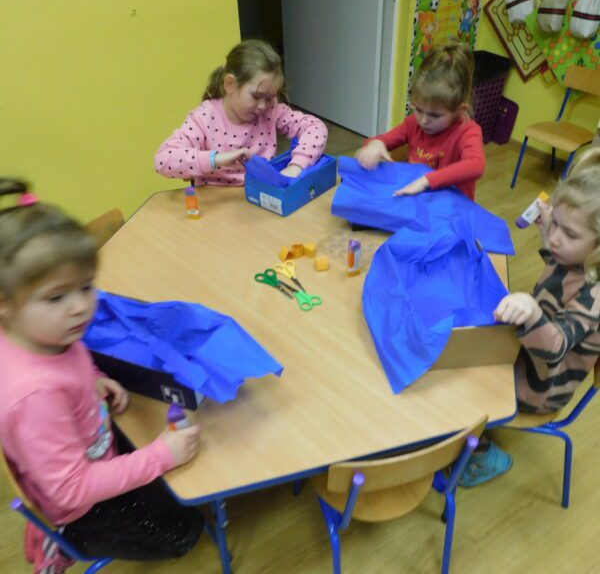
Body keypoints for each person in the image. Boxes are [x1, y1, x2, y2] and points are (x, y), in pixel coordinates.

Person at [0, 178, 203, 571]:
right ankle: (66, 542)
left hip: (87, 444)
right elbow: (73, 489)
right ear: (4, 303)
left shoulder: (38, 331)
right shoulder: (34, 398)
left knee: (176, 476)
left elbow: (69, 358)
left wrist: (92, 377)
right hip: (82, 506)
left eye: (86, 287)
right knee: (186, 531)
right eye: (57, 296)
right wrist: (159, 456)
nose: (81, 307)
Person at [460, 149, 600, 486]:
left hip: (541, 385)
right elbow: (559, 271)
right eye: (557, 225)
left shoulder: (594, 297)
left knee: (463, 382)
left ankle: (485, 456)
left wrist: (533, 311)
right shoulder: (574, 257)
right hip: (527, 353)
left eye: (570, 234)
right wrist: (547, 231)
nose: (556, 239)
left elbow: (556, 347)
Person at [154, 39, 328, 185]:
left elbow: (315, 127)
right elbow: (163, 159)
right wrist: (216, 159)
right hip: (217, 206)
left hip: (260, 200)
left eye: (269, 98)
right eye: (256, 96)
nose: (263, 106)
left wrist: (297, 165)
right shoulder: (204, 118)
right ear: (230, 84)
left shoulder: (271, 109)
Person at [355, 43, 485, 201]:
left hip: (451, 208)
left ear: (459, 110)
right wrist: (375, 144)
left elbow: (476, 165)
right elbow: (383, 140)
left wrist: (427, 180)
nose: (423, 120)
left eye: (435, 115)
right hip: (419, 203)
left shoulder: (467, 131)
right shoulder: (413, 124)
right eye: (418, 109)